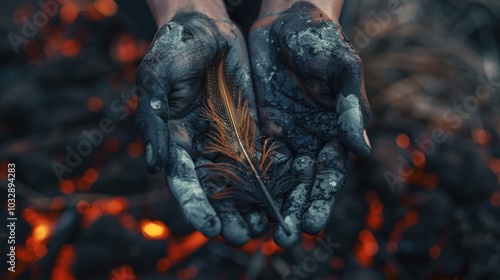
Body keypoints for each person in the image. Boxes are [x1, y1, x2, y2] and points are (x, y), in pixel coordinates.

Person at [135, 0, 371, 248]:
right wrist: (188, 9)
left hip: (293, 42)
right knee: (168, 67)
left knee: (319, 57)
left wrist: (302, 6)